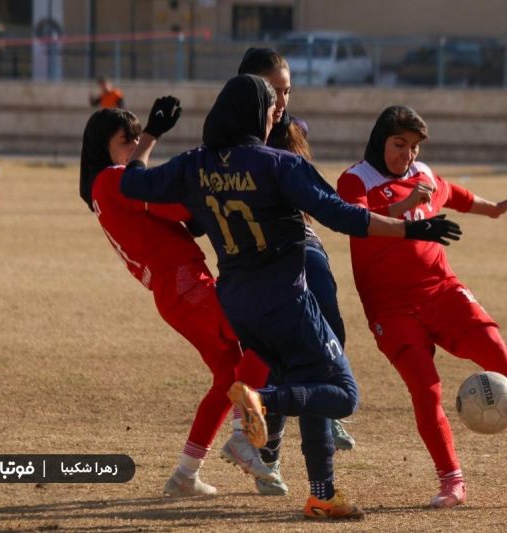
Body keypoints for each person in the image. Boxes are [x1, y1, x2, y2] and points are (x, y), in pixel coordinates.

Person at [120, 75, 461, 520]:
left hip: (238, 303)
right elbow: (342, 216)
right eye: (269, 110)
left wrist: (150, 134)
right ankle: (264, 400)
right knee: (342, 394)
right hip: (287, 299)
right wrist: (412, 228)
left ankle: (322, 494)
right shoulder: (279, 164)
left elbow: (134, 185)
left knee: (312, 385)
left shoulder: (192, 164)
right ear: (255, 114)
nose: (273, 118)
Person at [336, 105, 507, 509]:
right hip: (390, 308)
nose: (406, 155)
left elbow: (455, 194)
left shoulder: (422, 175)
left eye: (412, 147)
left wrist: (493, 208)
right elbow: (357, 220)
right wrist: (402, 205)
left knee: (499, 354)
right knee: (426, 392)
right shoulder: (355, 179)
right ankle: (452, 482)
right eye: (398, 145)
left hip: (442, 291)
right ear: (379, 141)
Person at [79, 97, 273, 499]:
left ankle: (186, 473)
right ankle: (244, 436)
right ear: (105, 148)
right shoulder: (113, 178)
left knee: (228, 377)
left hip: (176, 290)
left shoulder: (107, 186)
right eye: (125, 139)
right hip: (185, 284)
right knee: (266, 336)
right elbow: (176, 206)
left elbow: (174, 213)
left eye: (136, 138)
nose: (134, 145)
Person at [221, 47, 355, 498]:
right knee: (294, 359)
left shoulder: (291, 133)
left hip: (301, 244)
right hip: (265, 261)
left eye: (287, 90)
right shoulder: (227, 142)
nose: (282, 101)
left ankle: (279, 454)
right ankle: (266, 442)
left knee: (324, 338)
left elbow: (319, 201)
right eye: (273, 92)